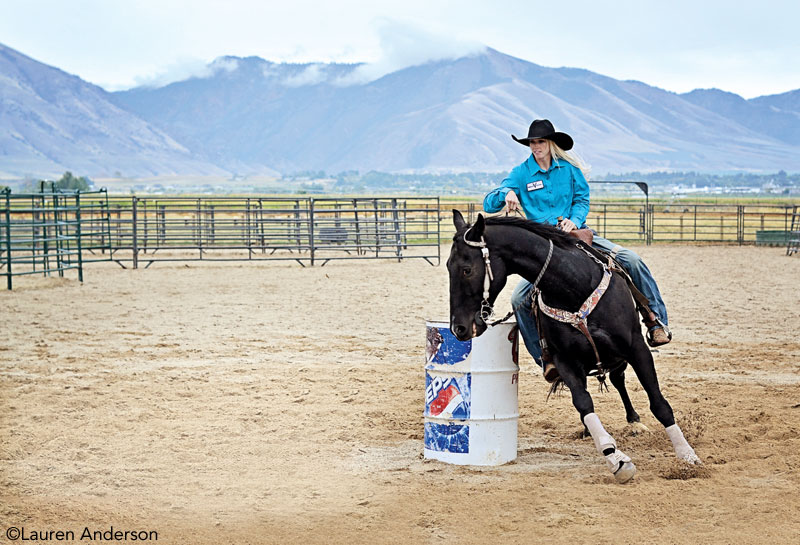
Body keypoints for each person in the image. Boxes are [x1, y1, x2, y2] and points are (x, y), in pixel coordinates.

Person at [483, 119, 671, 382]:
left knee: (631, 259)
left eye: (540, 142)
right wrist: (505, 193)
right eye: (532, 143)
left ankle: (655, 321)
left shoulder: (570, 170)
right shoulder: (521, 173)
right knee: (519, 300)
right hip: (542, 248)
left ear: (551, 144)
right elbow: (488, 203)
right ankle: (546, 358)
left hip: (576, 235)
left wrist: (573, 218)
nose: (536, 147)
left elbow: (582, 199)